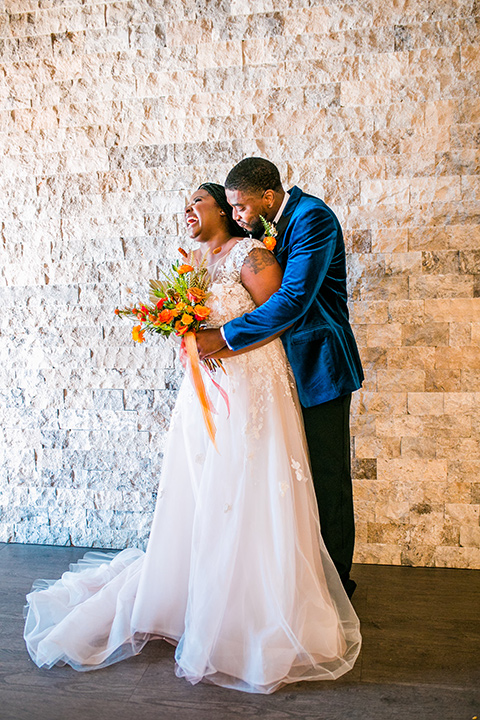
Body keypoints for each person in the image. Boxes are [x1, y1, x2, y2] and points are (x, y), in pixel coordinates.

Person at [23, 183, 361, 694]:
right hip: (207, 386)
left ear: (231, 208)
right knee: (204, 483)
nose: (187, 211)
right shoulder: (195, 260)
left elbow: (283, 313)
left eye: (198, 202)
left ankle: (274, 596)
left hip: (253, 379)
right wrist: (181, 329)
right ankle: (200, 585)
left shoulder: (258, 250)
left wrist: (221, 341)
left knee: (276, 478)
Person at [195, 159, 364, 599]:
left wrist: (223, 336)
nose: (238, 216)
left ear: (267, 198)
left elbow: (292, 300)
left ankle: (336, 585)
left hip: (319, 366)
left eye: (242, 207)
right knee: (289, 476)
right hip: (276, 372)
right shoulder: (263, 226)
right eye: (231, 208)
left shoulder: (313, 219)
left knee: (326, 475)